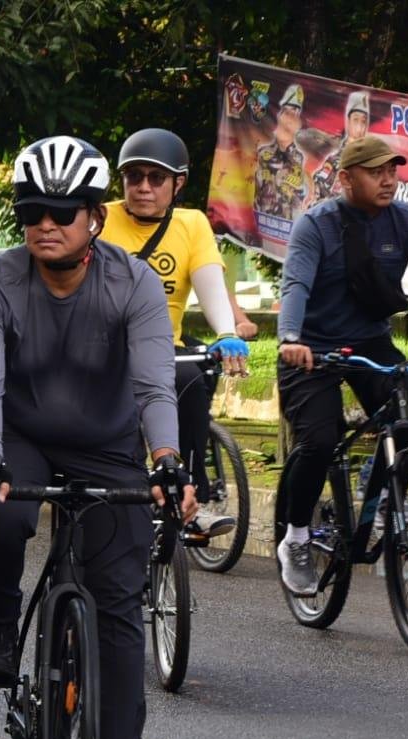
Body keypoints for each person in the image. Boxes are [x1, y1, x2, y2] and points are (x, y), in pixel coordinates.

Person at [0, 135, 193, 739]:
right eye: (31, 212)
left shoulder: (132, 282)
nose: (46, 224)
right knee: (1, 515)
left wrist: (166, 458)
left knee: (117, 602)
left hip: (107, 445)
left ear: (94, 217)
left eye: (62, 213)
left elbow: (154, 383)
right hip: (22, 437)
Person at [274, 135, 408, 594]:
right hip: (311, 348)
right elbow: (295, 286)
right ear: (346, 178)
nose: (388, 180)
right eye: (376, 172)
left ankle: (383, 492)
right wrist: (290, 339)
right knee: (320, 440)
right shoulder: (315, 226)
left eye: (392, 171)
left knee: (405, 419)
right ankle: (296, 537)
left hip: (370, 343)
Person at [101, 127, 250, 541]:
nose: (143, 187)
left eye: (156, 178)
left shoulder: (191, 223)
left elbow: (209, 282)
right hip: (102, 348)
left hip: (161, 350)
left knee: (191, 380)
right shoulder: (99, 218)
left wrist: (226, 332)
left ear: (178, 183)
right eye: (134, 177)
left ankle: (191, 499)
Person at [254, 84, 309, 234]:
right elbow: (256, 188)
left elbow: (299, 198)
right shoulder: (264, 153)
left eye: (295, 113)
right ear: (280, 115)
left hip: (287, 229)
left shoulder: (299, 158)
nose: (291, 118)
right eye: (287, 112)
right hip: (262, 225)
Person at [313, 91, 371, 204]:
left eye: (363, 121)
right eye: (356, 120)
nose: (360, 127)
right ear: (348, 122)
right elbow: (320, 181)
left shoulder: (368, 157)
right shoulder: (337, 156)